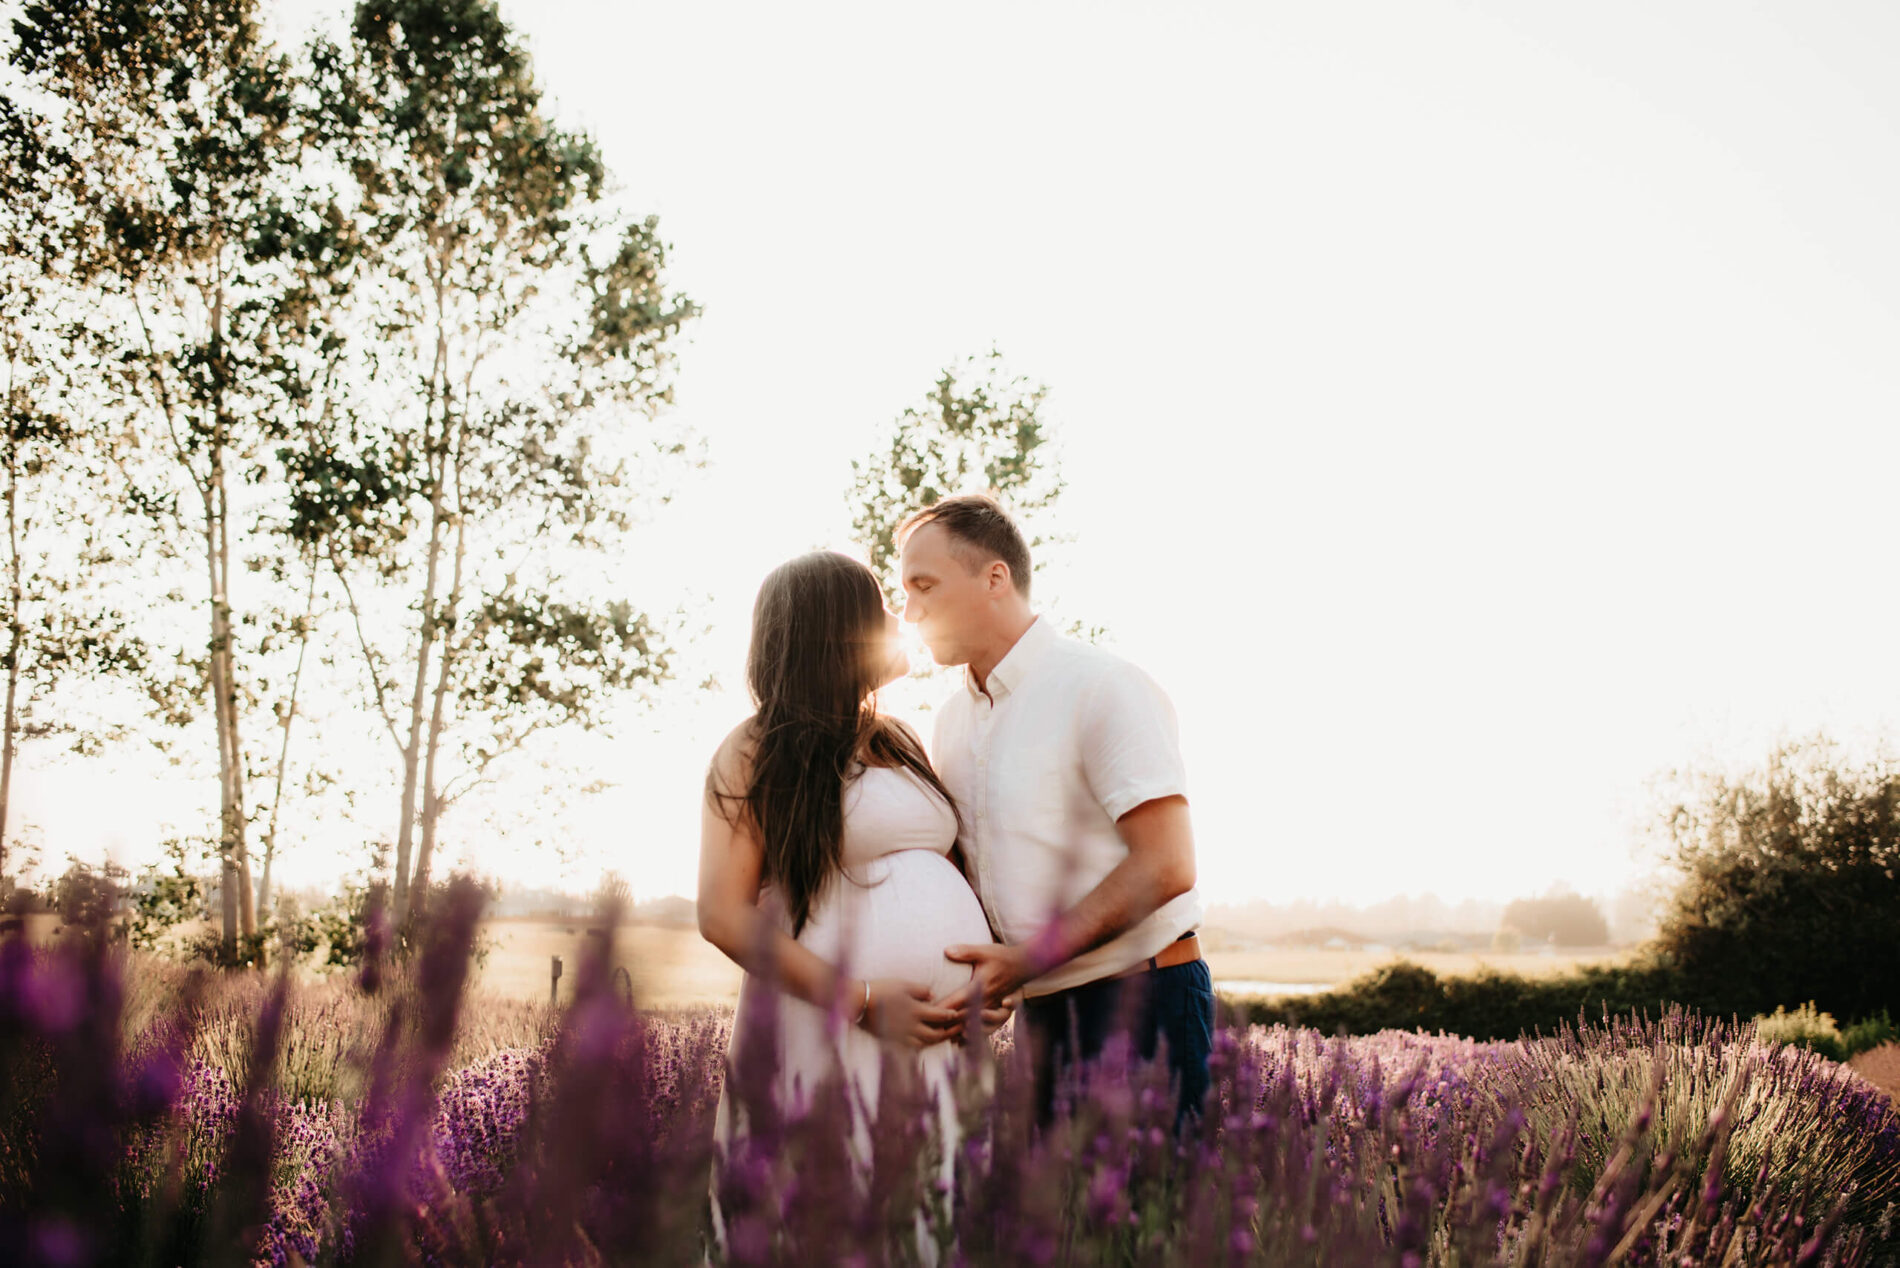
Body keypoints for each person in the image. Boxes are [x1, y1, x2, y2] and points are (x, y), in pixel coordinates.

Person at [898, 494, 1213, 1127]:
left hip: (1142, 1000)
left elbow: (1168, 864)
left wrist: (1026, 959)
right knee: (1062, 1226)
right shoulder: (951, 722)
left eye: (924, 586)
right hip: (1043, 1017)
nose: (909, 612)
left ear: (995, 578)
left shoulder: (1103, 686)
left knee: (1147, 1224)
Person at [697, 550, 1010, 1181]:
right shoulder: (755, 747)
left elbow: (954, 869)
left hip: (940, 1037)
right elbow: (722, 915)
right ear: (835, 628)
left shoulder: (897, 736)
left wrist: (992, 974)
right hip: (827, 1024)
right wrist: (861, 1001)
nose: (899, 616)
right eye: (879, 604)